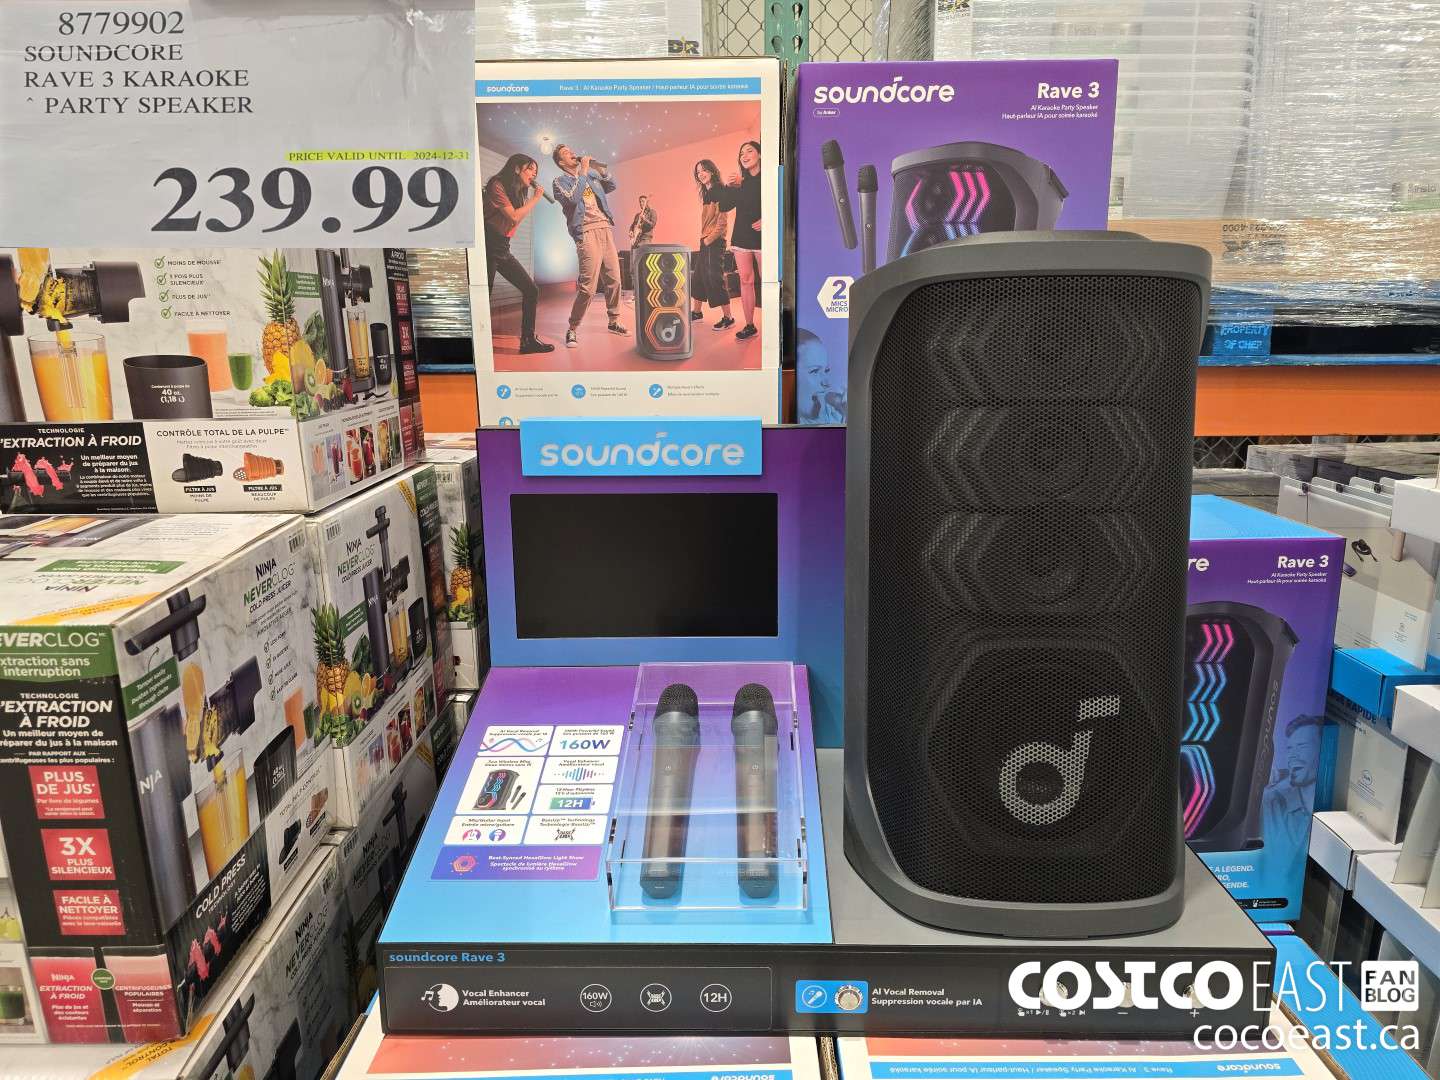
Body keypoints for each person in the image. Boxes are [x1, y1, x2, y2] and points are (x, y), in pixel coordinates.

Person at [551, 143, 627, 349]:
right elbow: (572, 199)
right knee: (588, 288)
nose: (572, 153)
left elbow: (611, 186)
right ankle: (572, 328)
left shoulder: (592, 176)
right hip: (586, 232)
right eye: (566, 153)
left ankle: (614, 321)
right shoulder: (559, 182)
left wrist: (601, 170)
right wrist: (583, 171)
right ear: (561, 162)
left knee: (614, 280)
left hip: (605, 229)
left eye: (570, 150)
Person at [481, 154, 553, 354]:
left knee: (531, 290)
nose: (534, 174)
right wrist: (536, 199)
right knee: (483, 295)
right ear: (516, 169)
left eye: (536, 172)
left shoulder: (520, 193)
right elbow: (513, 216)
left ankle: (527, 341)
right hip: (488, 244)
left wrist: (528, 200)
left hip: (502, 246)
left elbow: (514, 222)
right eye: (530, 169)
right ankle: (475, 342)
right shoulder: (497, 185)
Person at [717, 140, 763, 341]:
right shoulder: (740, 182)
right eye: (741, 153)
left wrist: (768, 218)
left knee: (767, 280)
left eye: (749, 151)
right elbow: (724, 206)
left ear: (760, 154)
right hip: (742, 236)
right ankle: (750, 325)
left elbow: (781, 201)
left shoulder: (768, 178)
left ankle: (776, 326)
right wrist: (729, 186)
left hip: (764, 237)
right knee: (746, 280)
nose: (744, 155)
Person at [689, 160, 734, 331]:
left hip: (714, 242)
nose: (701, 174)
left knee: (715, 278)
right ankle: (697, 313)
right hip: (706, 240)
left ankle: (728, 318)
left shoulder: (719, 191)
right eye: (698, 172)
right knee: (698, 278)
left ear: (712, 171)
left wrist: (708, 240)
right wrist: (704, 240)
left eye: (704, 170)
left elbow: (722, 224)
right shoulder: (707, 193)